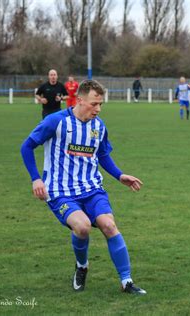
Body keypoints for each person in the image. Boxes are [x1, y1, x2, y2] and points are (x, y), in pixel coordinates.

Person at [20, 80, 146, 295]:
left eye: (101, 104)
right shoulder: (56, 122)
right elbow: (27, 146)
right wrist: (36, 178)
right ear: (79, 100)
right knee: (83, 227)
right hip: (60, 192)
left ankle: (127, 281)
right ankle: (82, 266)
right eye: (94, 103)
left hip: (91, 189)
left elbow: (103, 154)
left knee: (109, 225)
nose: (98, 109)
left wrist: (119, 175)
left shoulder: (99, 126)